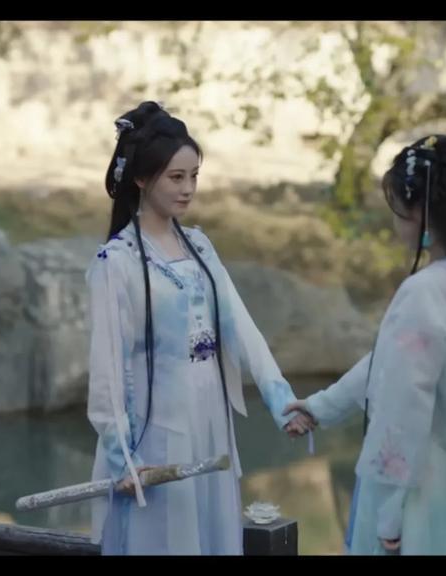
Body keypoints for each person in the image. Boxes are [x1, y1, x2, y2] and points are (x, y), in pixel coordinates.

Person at [85, 102, 313, 555]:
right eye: (176, 177)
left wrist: (282, 401)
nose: (188, 188)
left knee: (212, 535)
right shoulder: (118, 262)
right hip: (157, 432)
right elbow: (107, 370)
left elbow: (242, 328)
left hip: (210, 421)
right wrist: (121, 458)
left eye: (194, 176)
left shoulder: (200, 247)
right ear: (141, 178)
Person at [285, 133, 446, 555]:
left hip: (417, 494)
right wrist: (320, 407)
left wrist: (390, 514)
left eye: (398, 212)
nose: (395, 223)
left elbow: (404, 408)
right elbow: (387, 362)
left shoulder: (423, 292)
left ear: (421, 215)